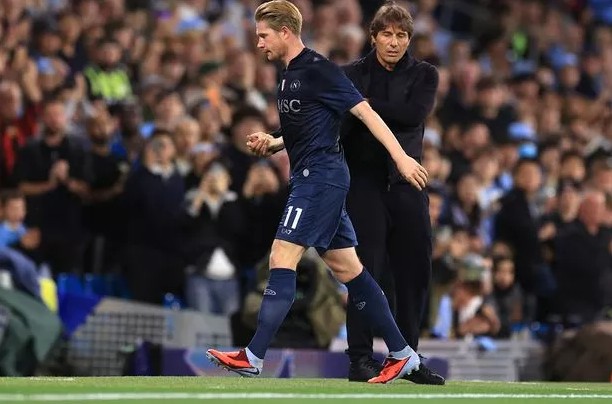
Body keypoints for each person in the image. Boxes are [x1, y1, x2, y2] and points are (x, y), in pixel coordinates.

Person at [206, 0, 429, 384]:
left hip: (319, 180)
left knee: (281, 255)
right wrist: (275, 142)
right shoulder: (289, 74)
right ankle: (403, 353)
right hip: (315, 177)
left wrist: (402, 158)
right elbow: (310, 126)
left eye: (263, 35)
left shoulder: (319, 70)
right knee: (350, 270)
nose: (259, 43)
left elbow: (366, 113)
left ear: (285, 32)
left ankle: (253, 356)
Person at [338, 1, 444, 384]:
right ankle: (360, 359)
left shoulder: (425, 74)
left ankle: (407, 358)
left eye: (401, 35)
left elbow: (414, 115)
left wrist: (360, 106)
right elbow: (339, 122)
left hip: (407, 184)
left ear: (409, 39)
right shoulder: (349, 73)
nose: (394, 42)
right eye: (387, 34)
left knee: (414, 271)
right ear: (373, 36)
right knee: (363, 273)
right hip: (363, 186)